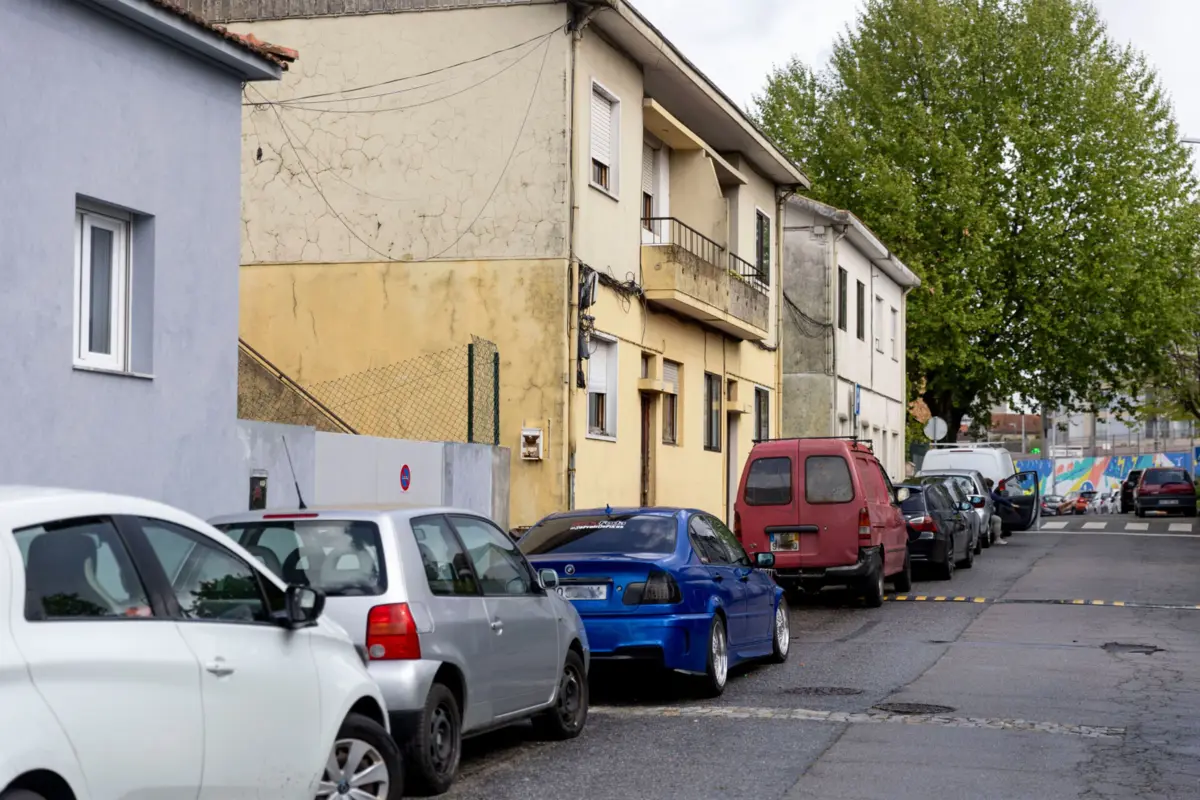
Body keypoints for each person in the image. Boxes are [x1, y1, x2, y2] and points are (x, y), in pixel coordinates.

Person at [984, 478, 1011, 545]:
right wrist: (1010, 504)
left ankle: (994, 536)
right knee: (997, 519)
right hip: (985, 514)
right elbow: (999, 499)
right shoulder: (987, 492)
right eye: (991, 486)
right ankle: (997, 538)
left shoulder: (981, 491)